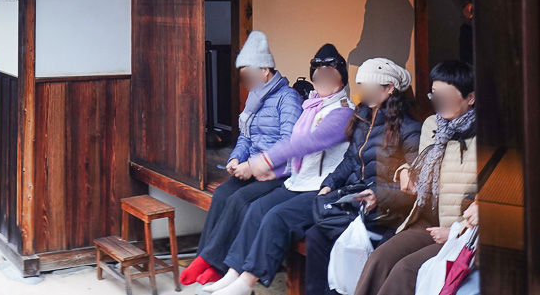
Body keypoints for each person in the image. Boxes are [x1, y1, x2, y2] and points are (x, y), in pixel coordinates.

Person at [202, 45, 355, 295]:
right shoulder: (310, 105)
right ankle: (232, 273)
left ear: (341, 78)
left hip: (321, 188)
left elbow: (305, 144)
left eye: (330, 73)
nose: (322, 78)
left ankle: (246, 282)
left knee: (276, 217)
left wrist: (261, 162)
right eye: (318, 72)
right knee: (255, 209)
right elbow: (296, 151)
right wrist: (275, 171)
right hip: (297, 182)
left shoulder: (344, 112)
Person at [180, 31, 303, 288]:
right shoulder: (254, 99)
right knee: (223, 193)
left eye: (250, 74)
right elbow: (245, 138)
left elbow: (290, 142)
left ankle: (216, 266)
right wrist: (237, 158)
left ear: (266, 69)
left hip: (278, 172)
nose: (246, 81)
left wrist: (256, 165)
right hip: (251, 166)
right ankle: (205, 259)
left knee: (239, 200)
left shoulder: (287, 98)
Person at [353, 60, 477, 295]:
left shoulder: (486, 136)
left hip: (457, 229)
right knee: (380, 258)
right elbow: (419, 164)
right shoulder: (432, 125)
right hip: (424, 219)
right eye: (436, 96)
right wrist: (404, 172)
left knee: (405, 270)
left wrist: (455, 230)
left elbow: (492, 192)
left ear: (470, 98)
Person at [303, 58, 422, 295]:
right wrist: (329, 184)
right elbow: (349, 160)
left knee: (341, 240)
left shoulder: (409, 129)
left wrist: (379, 194)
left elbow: (415, 186)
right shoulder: (363, 119)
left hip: (385, 209)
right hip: (357, 198)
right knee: (315, 234)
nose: (363, 92)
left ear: (389, 88)